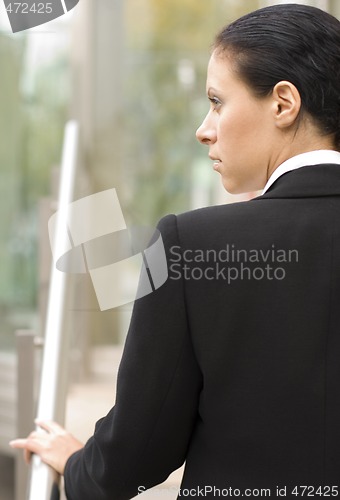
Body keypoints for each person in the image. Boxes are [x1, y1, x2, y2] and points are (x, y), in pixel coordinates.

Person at [10, 3, 340, 499]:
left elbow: (140, 447)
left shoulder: (191, 244)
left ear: (283, 104)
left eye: (216, 101)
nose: (203, 129)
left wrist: (80, 465)